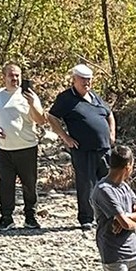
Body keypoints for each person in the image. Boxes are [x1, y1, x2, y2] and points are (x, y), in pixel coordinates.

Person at [47, 64, 115, 230]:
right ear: (74, 79)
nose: (87, 83)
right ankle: (86, 218)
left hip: (104, 148)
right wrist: (65, 138)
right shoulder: (66, 98)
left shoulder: (94, 96)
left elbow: (109, 114)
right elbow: (51, 117)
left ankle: (107, 214)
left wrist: (112, 134)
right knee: (86, 184)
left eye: (89, 79)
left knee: (107, 182)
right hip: (83, 149)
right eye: (83, 79)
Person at [0, 64, 47, 230]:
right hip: (3, 149)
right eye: (11, 76)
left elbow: (40, 120)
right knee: (6, 184)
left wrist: (33, 104)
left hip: (27, 147)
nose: (15, 79)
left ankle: (30, 216)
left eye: (18, 76)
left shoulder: (29, 96)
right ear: (4, 77)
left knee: (29, 184)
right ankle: (6, 217)